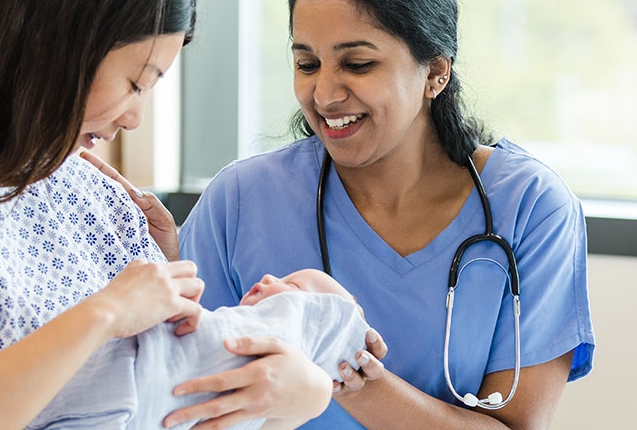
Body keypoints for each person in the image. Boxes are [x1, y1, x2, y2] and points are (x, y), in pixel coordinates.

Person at [0, 1, 334, 429]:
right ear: (56, 53)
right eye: (136, 83)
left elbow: (171, 390)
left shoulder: (96, 196)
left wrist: (302, 391)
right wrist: (102, 314)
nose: (135, 118)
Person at [171, 0, 596, 428]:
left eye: (357, 64)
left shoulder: (531, 207)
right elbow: (177, 391)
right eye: (307, 63)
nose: (324, 95)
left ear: (435, 72)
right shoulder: (242, 199)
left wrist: (351, 372)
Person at [29, 269, 371, 430]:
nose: (269, 277)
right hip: (119, 375)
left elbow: (330, 322)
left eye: (293, 285)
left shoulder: (297, 327)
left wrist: (317, 386)